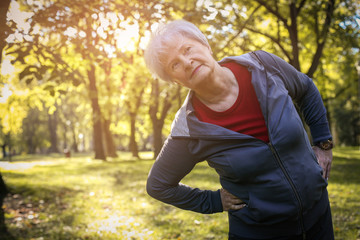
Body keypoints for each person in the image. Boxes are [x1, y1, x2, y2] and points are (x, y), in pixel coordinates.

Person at [144, 19, 334, 240]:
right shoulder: (189, 128)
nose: (186, 62)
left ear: (205, 44)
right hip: (258, 233)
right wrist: (213, 201)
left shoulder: (262, 66)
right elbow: (158, 185)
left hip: (319, 218)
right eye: (174, 65)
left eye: (187, 49)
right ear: (175, 80)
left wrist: (323, 142)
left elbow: (306, 89)